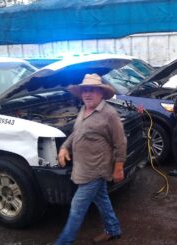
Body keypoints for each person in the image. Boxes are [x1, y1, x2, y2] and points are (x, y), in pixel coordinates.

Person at [54, 73, 126, 244]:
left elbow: (120, 142)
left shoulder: (110, 114)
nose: (87, 94)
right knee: (102, 199)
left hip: (96, 169)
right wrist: (65, 147)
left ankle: (64, 241)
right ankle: (113, 229)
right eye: (85, 90)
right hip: (83, 167)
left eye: (92, 90)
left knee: (77, 208)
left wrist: (119, 168)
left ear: (101, 93)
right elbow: (76, 132)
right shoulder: (84, 109)